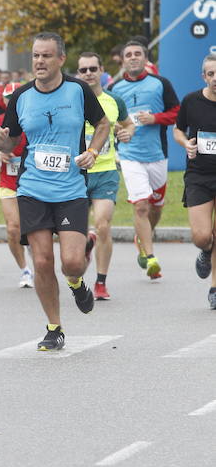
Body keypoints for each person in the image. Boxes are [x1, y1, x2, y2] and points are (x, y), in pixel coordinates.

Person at [0, 32, 108, 351]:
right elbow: (13, 142)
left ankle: (76, 281)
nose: (39, 62)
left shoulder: (78, 90)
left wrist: (94, 152)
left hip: (70, 189)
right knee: (42, 261)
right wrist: (4, 144)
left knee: (70, 262)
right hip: (32, 188)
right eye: (35, 56)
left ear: (60, 59)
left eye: (45, 56)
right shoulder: (22, 97)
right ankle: (54, 327)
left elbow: (102, 125)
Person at [107, 39, 179, 280]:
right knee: (141, 206)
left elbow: (176, 113)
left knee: (156, 207)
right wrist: (119, 129)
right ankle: (150, 257)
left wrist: (155, 119)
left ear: (146, 59)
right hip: (129, 155)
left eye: (138, 53)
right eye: (129, 54)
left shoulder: (160, 84)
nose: (134, 57)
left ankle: (144, 236)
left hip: (157, 154)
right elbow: (109, 120)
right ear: (123, 60)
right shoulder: (115, 89)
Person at [77, 52, 135, 300]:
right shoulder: (72, 100)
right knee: (76, 233)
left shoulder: (114, 101)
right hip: (77, 174)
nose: (89, 73)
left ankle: (101, 281)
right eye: (83, 70)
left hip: (106, 172)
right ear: (78, 74)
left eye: (93, 68)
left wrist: (126, 133)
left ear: (102, 70)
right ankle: (85, 248)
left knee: (103, 225)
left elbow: (128, 124)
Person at [174, 53, 216, 308]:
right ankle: (205, 251)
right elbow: (178, 129)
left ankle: (214, 289)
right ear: (204, 76)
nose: (215, 78)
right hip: (199, 174)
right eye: (210, 74)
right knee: (202, 236)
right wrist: (185, 142)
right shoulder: (192, 100)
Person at [0, 83, 32, 288]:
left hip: (33, 182)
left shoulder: (33, 120)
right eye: (7, 97)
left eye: (15, 97)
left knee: (35, 230)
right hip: (9, 183)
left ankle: (37, 257)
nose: (11, 101)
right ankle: (25, 270)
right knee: (13, 229)